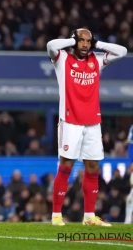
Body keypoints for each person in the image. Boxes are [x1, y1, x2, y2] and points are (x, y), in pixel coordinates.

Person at [47, 28, 127, 226]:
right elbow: (50, 45)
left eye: (88, 42)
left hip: (93, 122)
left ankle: (89, 216)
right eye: (81, 41)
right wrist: (71, 41)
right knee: (66, 166)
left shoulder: (96, 60)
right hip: (70, 120)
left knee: (93, 167)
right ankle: (56, 215)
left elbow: (122, 51)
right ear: (74, 41)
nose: (85, 45)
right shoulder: (62, 59)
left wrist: (98, 44)